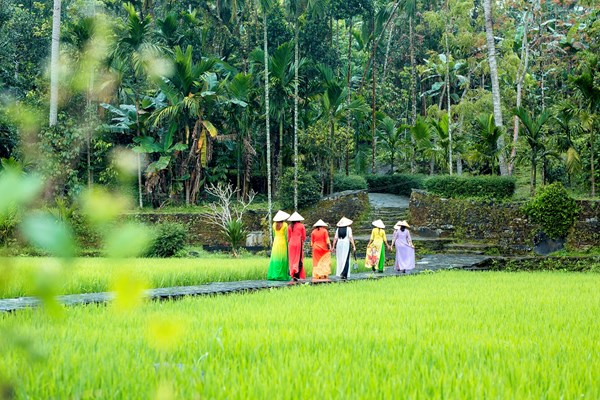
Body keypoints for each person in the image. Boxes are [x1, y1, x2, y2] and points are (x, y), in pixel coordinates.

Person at [267, 210, 291, 281]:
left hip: (276, 242)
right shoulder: (285, 225)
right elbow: (287, 235)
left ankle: (274, 274)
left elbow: (274, 235)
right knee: (282, 257)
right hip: (282, 242)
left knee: (275, 257)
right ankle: (281, 275)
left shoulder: (274, 224)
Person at [287, 212, 307, 281]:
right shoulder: (301, 226)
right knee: (298, 258)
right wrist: (302, 241)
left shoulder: (289, 226)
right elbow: (304, 237)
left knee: (292, 259)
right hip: (298, 243)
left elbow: (288, 237)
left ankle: (292, 273)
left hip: (291, 243)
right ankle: (296, 274)